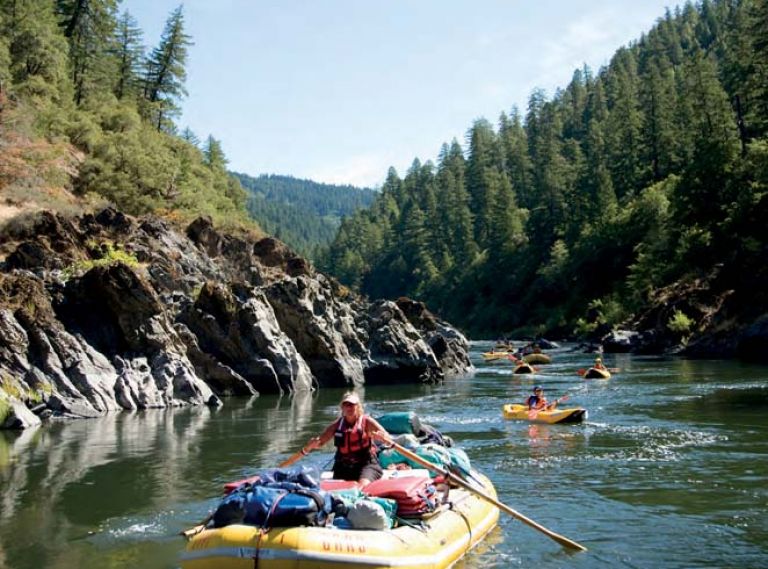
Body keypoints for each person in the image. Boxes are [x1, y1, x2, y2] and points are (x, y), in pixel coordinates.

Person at [302, 392, 389, 488]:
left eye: (352, 405)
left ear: (358, 406)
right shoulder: (336, 425)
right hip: (343, 467)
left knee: (361, 487)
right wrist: (313, 444)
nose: (349, 408)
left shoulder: (367, 421)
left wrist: (382, 437)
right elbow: (320, 442)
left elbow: (387, 437)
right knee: (335, 490)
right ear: (342, 407)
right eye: (346, 404)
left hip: (366, 465)